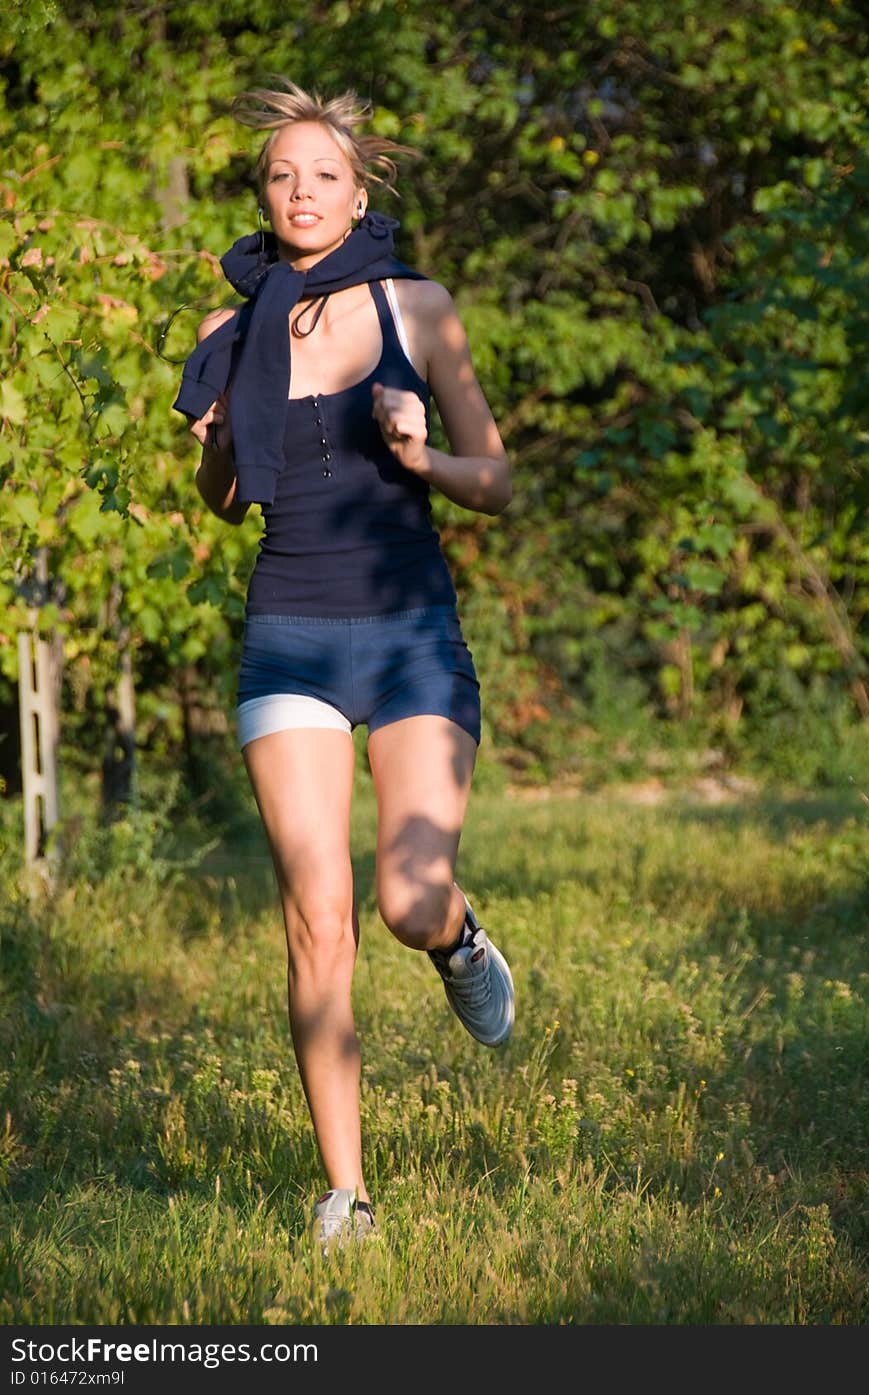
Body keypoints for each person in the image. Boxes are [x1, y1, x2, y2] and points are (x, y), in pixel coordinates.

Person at [173, 80, 515, 1253]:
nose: (302, 191)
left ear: (357, 194)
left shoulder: (419, 308)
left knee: (403, 900)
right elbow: (223, 504)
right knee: (318, 920)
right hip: (291, 638)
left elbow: (498, 481)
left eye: (324, 174)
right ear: (263, 201)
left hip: (412, 630)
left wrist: (422, 455)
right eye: (282, 176)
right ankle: (345, 1195)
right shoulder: (228, 335)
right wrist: (218, 450)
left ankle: (457, 936)